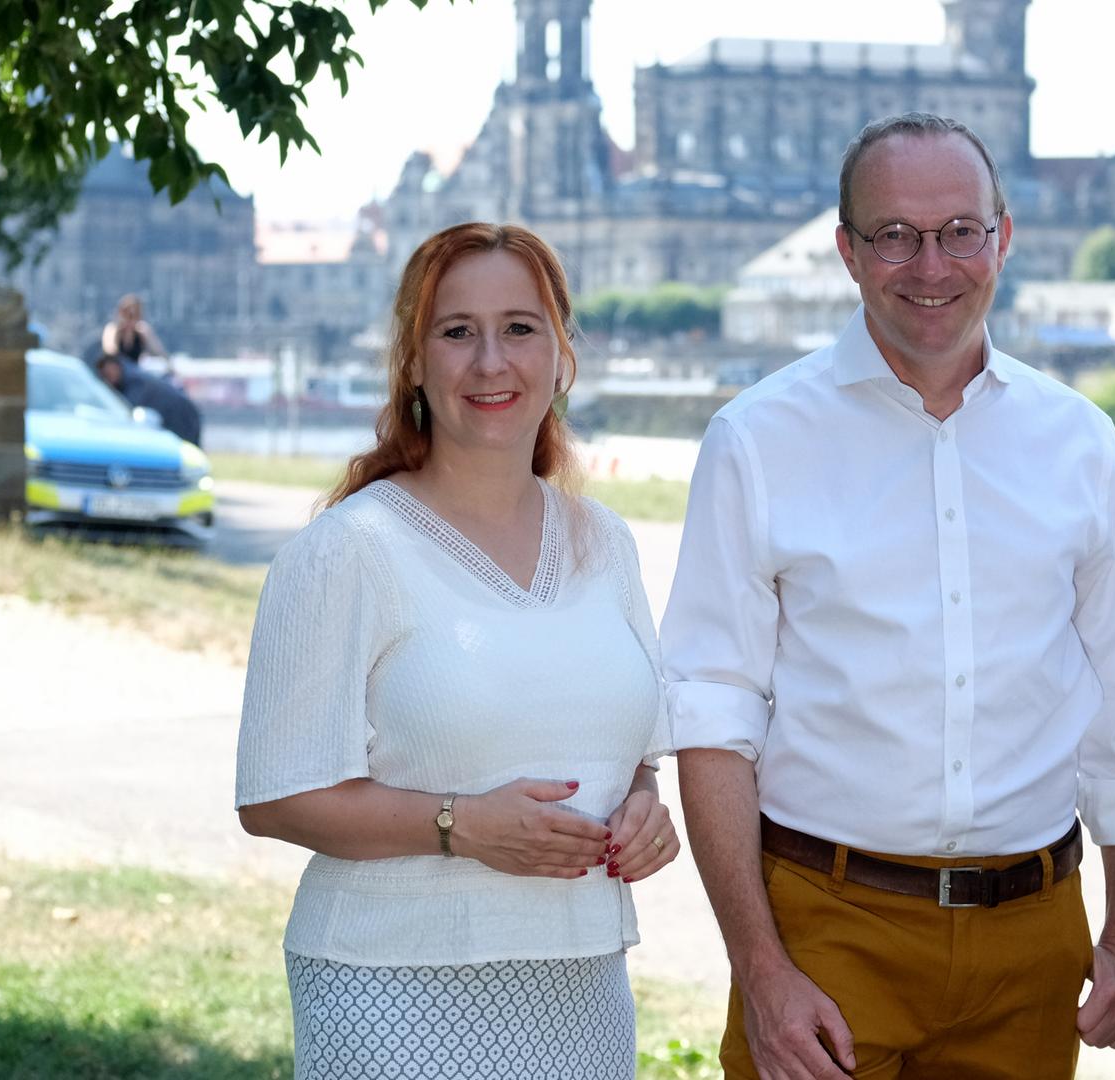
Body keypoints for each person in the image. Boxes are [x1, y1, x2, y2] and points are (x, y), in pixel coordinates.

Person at [663, 112, 1115, 1080]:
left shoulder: (1079, 442)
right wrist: (761, 968)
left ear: (1003, 238)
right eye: (895, 234)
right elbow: (711, 719)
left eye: (958, 232)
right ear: (848, 252)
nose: (930, 264)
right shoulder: (758, 440)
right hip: (829, 925)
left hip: (1031, 941)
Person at [233, 221, 678, 1080]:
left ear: (561, 352)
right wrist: (460, 826)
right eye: (456, 332)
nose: (490, 362)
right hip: (392, 986)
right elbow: (274, 798)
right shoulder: (347, 551)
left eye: (519, 328)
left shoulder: (605, 543)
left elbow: (634, 755)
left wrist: (646, 811)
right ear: (414, 360)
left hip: (581, 986)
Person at [94, 352, 203, 447]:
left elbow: (128, 413)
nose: (108, 380)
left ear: (115, 366)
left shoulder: (135, 382)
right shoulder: (131, 375)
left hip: (182, 416)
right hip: (178, 415)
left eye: (108, 374)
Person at [102, 293, 167, 367]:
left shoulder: (141, 330)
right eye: (127, 314)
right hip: (119, 369)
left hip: (136, 369)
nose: (130, 319)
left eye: (135, 315)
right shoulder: (112, 329)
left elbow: (159, 351)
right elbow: (109, 351)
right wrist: (122, 333)